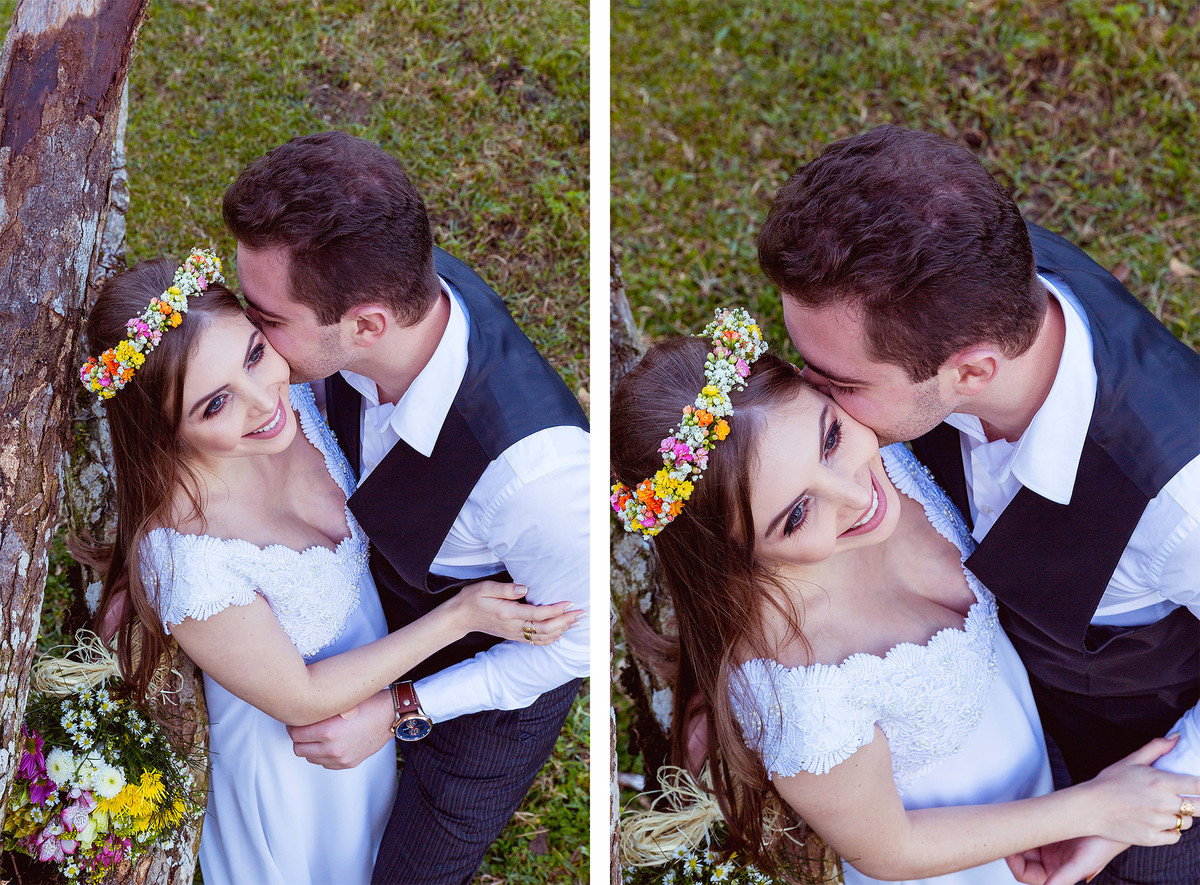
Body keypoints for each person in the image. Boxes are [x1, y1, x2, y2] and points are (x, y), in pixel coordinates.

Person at [610, 310, 1199, 885]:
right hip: (969, 865)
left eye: (831, 438)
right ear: (729, 550)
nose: (854, 493)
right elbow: (889, 849)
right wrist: (1091, 808)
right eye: (796, 515)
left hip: (1039, 751)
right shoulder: (800, 684)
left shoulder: (892, 459)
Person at [756, 124, 1200, 884]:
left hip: (1130, 745)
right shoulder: (963, 275)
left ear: (972, 369)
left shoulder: (1179, 499)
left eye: (842, 381)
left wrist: (1137, 803)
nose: (814, 395)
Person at [83, 253, 579, 885]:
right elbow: (302, 698)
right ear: (164, 429)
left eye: (256, 354)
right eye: (214, 406)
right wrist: (462, 615)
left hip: (363, 719)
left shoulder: (300, 402)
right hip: (298, 770)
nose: (263, 402)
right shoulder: (188, 557)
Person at [220, 131, 591, 884]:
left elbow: (573, 643)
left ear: (366, 326)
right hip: (389, 596)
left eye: (264, 318)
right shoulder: (388, 308)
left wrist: (402, 707)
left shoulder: (539, 484)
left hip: (492, 674)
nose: (245, 334)